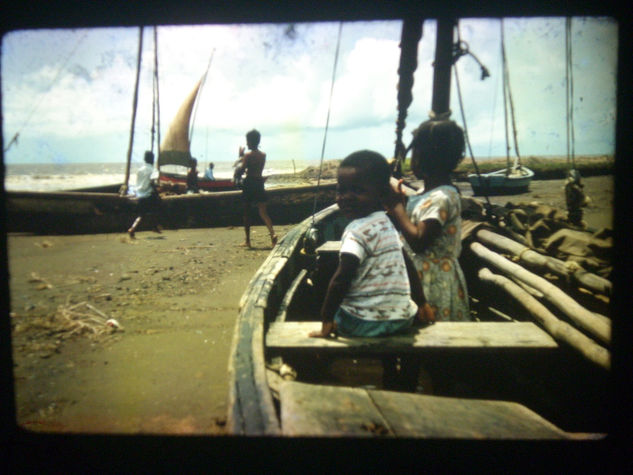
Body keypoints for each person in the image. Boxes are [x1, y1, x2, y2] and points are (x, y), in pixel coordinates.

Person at [309, 150, 434, 339]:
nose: (346, 197)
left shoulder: (356, 231)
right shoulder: (387, 225)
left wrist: (327, 318)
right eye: (341, 190)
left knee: (333, 300)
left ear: (382, 194)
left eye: (357, 190)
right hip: (402, 320)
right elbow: (408, 265)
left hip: (363, 324)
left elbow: (341, 279)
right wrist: (422, 303)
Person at [386, 119, 471, 322]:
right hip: (417, 277)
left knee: (434, 339)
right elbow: (409, 227)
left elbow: (418, 241)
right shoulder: (424, 193)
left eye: (414, 153)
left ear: (426, 157)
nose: (411, 160)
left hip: (433, 283)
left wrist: (397, 205)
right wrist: (396, 210)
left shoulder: (443, 197)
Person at [235, 129, 277, 248]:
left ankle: (248, 241)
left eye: (247, 141)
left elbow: (242, 170)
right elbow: (255, 166)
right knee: (263, 212)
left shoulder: (247, 155)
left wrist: (240, 156)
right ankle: (273, 235)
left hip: (249, 184)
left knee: (247, 213)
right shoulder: (263, 155)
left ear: (250, 141)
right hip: (259, 183)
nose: (246, 144)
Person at [127, 150, 162, 239]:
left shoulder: (140, 170)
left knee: (141, 214)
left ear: (145, 159)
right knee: (158, 206)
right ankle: (154, 226)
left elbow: (138, 183)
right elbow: (152, 183)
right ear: (152, 159)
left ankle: (133, 228)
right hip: (148, 195)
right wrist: (157, 191)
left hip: (139, 195)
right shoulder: (153, 170)